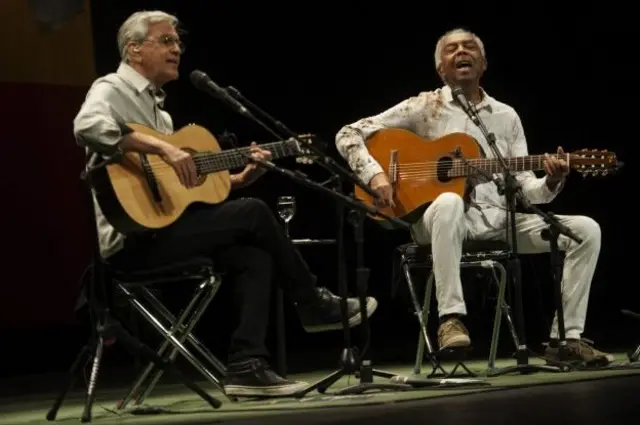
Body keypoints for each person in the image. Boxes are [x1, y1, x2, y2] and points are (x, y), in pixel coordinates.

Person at [73, 10, 378, 397]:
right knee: (253, 212)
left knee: (254, 253)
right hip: (129, 243)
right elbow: (86, 127)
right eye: (166, 41)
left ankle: (247, 366)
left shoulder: (161, 115)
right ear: (134, 49)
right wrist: (164, 148)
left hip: (164, 232)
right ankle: (313, 302)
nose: (177, 49)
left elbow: (181, 193)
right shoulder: (111, 87)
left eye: (178, 42)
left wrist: (238, 179)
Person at [335, 28, 612, 367]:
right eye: (452, 49)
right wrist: (376, 175)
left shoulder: (506, 116)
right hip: (435, 221)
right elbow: (347, 134)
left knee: (586, 229)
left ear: (483, 64)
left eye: (469, 48)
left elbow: (525, 189)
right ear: (441, 68)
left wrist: (552, 180)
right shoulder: (425, 106)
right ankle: (451, 319)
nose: (461, 52)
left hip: (499, 221)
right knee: (450, 202)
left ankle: (566, 339)